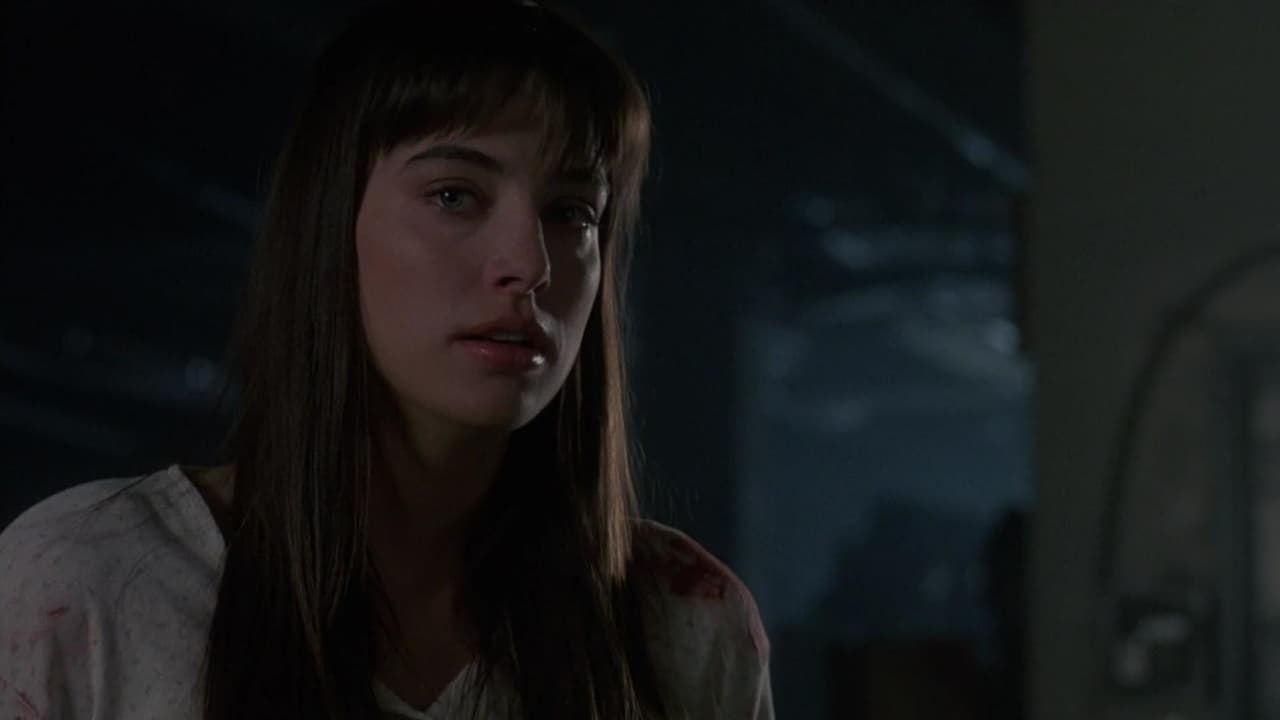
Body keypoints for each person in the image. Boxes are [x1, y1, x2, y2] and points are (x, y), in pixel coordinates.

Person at [0, 1, 773, 718]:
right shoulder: (90, 582)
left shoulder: (685, 620)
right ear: (332, 224)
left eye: (571, 211)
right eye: (454, 195)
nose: (530, 264)